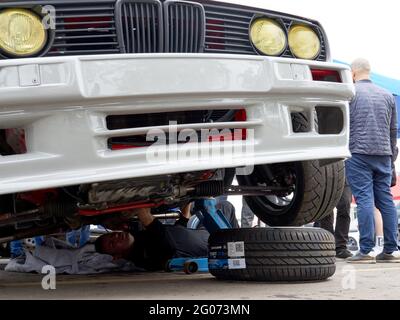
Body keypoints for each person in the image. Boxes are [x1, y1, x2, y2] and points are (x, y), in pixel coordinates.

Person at [346, 58, 400, 263]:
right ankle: (390, 250)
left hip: (358, 152)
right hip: (384, 153)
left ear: (353, 73)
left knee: (364, 199)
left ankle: (366, 250)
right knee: (385, 199)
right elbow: (393, 129)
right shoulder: (387, 95)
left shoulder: (350, 94)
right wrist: (391, 155)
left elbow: (345, 125)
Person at [95, 201, 238, 271]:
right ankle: (243, 244)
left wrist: (186, 204)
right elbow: (166, 244)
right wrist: (145, 216)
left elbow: (177, 229)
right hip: (210, 242)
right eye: (112, 244)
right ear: (117, 256)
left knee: (225, 206)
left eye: (112, 235)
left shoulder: (139, 237)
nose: (116, 237)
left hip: (195, 231)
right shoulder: (143, 257)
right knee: (233, 234)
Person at [314, 180, 353, 259]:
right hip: (324, 175)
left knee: (345, 206)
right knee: (326, 211)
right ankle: (328, 244)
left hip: (344, 175)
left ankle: (341, 247)